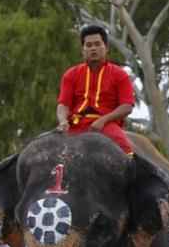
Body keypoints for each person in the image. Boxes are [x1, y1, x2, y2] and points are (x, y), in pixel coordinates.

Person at [56, 25, 136, 155]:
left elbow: (127, 106)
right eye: (88, 45)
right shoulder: (71, 74)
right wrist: (63, 121)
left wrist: (103, 120)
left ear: (106, 48)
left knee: (125, 150)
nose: (93, 48)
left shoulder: (119, 74)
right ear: (83, 50)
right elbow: (63, 104)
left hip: (106, 126)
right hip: (75, 125)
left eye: (97, 44)